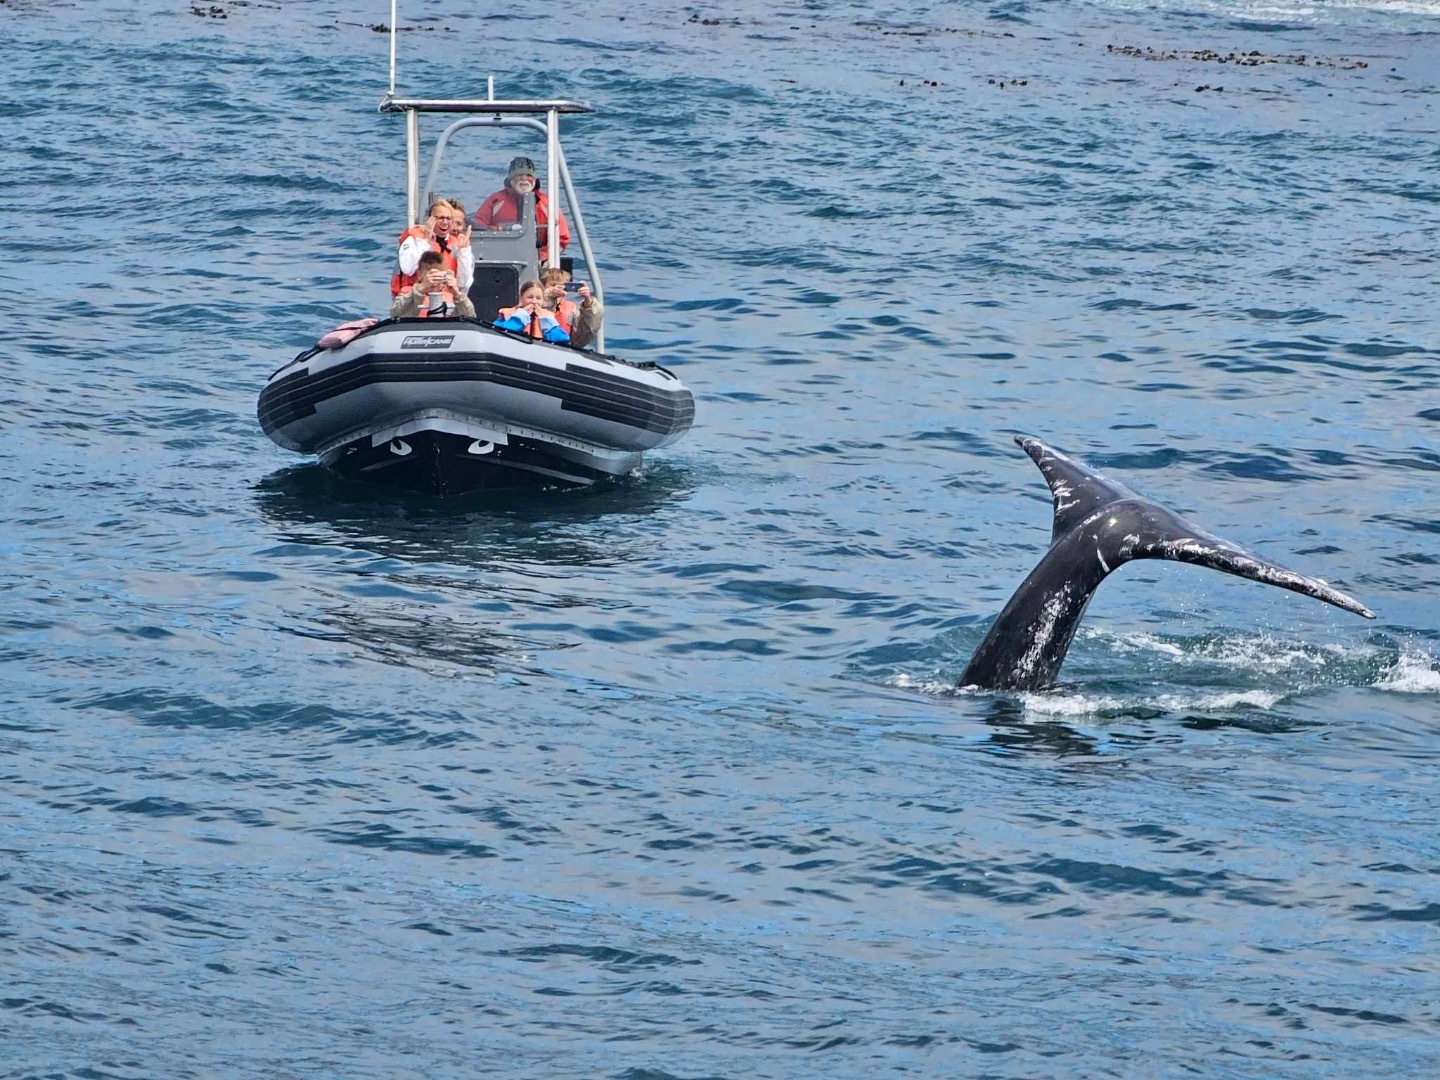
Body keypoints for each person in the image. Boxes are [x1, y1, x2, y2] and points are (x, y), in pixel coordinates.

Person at [472, 156, 571, 264]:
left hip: (538, 261)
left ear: (534, 179)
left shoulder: (547, 204)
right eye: (519, 175)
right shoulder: (495, 200)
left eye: (529, 175)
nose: (524, 178)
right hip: (499, 260)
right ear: (511, 179)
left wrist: (540, 257)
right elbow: (478, 228)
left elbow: (562, 238)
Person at [391, 198, 473, 297]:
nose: (445, 222)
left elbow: (463, 283)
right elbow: (407, 269)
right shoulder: (414, 238)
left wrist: (464, 252)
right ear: (430, 219)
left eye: (448, 218)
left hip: (444, 302)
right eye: (440, 218)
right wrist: (424, 241)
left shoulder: (457, 244)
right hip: (414, 301)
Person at [390, 250, 476, 318]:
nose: (434, 279)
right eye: (430, 275)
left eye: (438, 275)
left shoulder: (451, 297)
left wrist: (457, 294)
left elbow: (470, 316)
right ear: (420, 275)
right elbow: (395, 313)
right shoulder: (408, 293)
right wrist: (421, 289)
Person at [539, 266, 604, 351]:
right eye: (553, 285)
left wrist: (588, 302)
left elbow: (584, 336)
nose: (558, 288)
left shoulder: (571, 309)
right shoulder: (535, 301)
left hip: (564, 349)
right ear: (543, 286)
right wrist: (549, 295)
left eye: (563, 286)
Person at [493, 279, 570, 342]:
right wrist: (518, 320)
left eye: (538, 298)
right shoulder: (506, 314)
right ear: (521, 298)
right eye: (530, 297)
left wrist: (548, 325)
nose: (534, 301)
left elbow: (563, 340)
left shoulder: (548, 317)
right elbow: (496, 335)